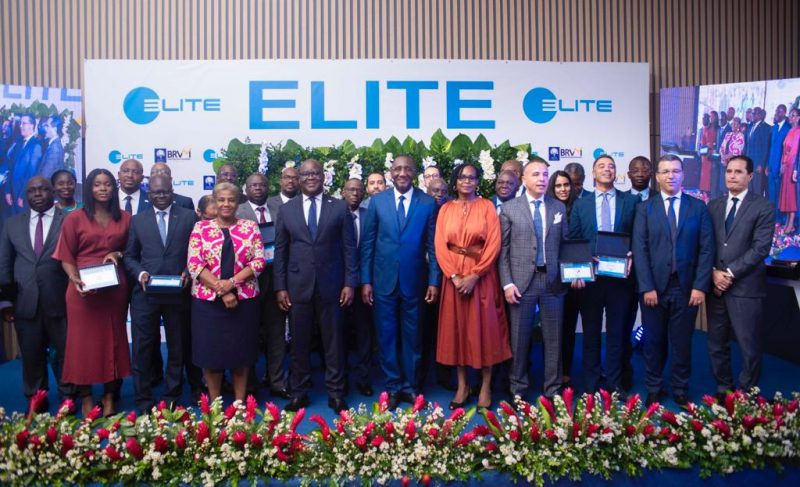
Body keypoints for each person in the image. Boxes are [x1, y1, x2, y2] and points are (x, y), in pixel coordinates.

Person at [274, 159, 357, 413]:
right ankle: (299, 392)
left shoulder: (339, 207)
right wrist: (280, 287)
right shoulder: (286, 210)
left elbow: (349, 248)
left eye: (315, 173)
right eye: (306, 174)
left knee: (334, 343)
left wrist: (350, 283)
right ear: (299, 178)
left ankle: (336, 393)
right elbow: (280, 251)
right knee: (298, 344)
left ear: (324, 177)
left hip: (332, 286)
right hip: (297, 286)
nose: (311, 178)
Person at [632, 154, 714, 406]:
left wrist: (700, 286)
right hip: (653, 289)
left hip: (686, 288)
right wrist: (647, 286)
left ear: (683, 175)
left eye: (675, 171)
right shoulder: (645, 209)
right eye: (665, 171)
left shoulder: (698, 207)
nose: (671, 176)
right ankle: (654, 387)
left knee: (682, 343)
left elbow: (706, 249)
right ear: (657, 177)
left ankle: (680, 388)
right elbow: (639, 249)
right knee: (653, 342)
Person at [361, 155, 440, 410]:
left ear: (415, 172)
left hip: (415, 281)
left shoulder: (427, 203)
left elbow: (433, 246)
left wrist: (434, 281)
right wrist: (365, 281)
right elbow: (368, 243)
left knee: (413, 337)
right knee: (386, 336)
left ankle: (410, 387)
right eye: (398, 169)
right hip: (382, 281)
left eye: (407, 168)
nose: (402, 173)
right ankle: (393, 386)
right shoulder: (377, 202)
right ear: (391, 173)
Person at [53, 168, 132, 417]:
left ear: (113, 188)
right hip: (82, 290)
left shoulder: (126, 218)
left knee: (113, 340)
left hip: (114, 289)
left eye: (107, 184)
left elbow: (132, 250)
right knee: (82, 345)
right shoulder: (74, 218)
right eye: (97, 184)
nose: (103, 189)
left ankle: (109, 395)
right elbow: (66, 255)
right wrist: (74, 278)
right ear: (89, 188)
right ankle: (86, 396)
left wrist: (117, 253)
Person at [434, 162, 511, 409]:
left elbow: (494, 244)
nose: (466, 181)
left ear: (478, 181)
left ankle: (486, 387)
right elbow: (440, 245)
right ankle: (462, 385)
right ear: (455, 182)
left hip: (482, 278)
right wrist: (455, 276)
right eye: (462, 177)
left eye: (471, 177)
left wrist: (475, 275)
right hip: (453, 279)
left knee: (486, 331)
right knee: (457, 330)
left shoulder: (487, 206)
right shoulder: (445, 209)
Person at [124, 175, 198, 412]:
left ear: (172, 191)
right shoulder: (138, 220)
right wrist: (140, 273)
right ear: (149, 194)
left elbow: (196, 252)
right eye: (156, 192)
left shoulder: (188, 217)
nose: (161, 196)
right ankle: (143, 400)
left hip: (178, 294)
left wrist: (188, 270)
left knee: (178, 347)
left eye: (165, 191)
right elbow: (129, 256)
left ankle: (171, 397)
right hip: (145, 294)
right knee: (142, 349)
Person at [187, 182, 266, 402]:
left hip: (244, 301)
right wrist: (222, 290)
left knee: (241, 355)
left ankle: (240, 404)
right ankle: (215, 406)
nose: (226, 204)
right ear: (214, 201)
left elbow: (259, 261)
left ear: (238, 202)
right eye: (221, 200)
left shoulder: (250, 227)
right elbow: (194, 264)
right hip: (208, 304)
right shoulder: (200, 228)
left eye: (231, 200)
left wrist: (231, 283)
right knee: (211, 357)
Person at [499, 157, 570, 399]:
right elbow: (503, 251)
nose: (542, 179)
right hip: (521, 283)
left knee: (554, 339)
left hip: (552, 282)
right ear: (523, 179)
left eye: (545, 174)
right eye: (536, 174)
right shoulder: (509, 208)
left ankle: (553, 390)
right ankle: (517, 389)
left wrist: (576, 270)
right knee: (519, 339)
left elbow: (566, 246)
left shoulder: (558, 207)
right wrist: (507, 283)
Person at [0, 177, 73, 411]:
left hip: (61, 299)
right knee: (31, 355)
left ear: (52, 191)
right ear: (27, 194)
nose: (38, 194)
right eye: (32, 190)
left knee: (66, 353)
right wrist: (5, 302)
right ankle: (36, 399)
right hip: (25, 300)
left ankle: (68, 398)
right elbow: (4, 263)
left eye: (43, 189)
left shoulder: (69, 220)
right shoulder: (12, 224)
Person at [706, 155, 775, 400]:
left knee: (749, 346)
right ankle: (724, 390)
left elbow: (760, 248)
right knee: (716, 344)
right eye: (729, 171)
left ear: (750, 176)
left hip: (746, 288)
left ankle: (746, 395)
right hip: (716, 287)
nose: (732, 176)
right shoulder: (713, 205)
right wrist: (713, 272)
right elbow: (706, 244)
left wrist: (729, 273)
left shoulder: (763, 206)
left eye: (738, 171)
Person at [568, 155, 637, 395]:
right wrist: (584, 260)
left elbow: (638, 235)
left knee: (617, 333)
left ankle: (614, 383)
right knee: (591, 332)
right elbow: (574, 239)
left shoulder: (630, 201)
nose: (607, 169)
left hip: (620, 280)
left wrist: (632, 253)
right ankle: (591, 383)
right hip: (592, 279)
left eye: (611, 166)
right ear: (593, 173)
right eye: (601, 166)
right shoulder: (581, 204)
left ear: (616, 172)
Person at [235, 172, 289, 399]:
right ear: (245, 189)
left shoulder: (281, 209)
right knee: (248, 335)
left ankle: (277, 382)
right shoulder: (237, 212)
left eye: (262, 185)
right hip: (247, 283)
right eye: (253, 185)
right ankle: (249, 384)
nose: (258, 188)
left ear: (268, 187)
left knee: (276, 334)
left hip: (276, 281)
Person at [546, 170, 580, 388]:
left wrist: (577, 271)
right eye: (558, 186)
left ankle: (566, 371)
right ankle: (552, 372)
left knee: (568, 327)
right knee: (552, 330)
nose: (563, 189)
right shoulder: (547, 208)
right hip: (552, 279)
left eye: (566, 185)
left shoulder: (580, 208)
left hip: (575, 278)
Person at [342, 177, 375, 396]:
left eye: (358, 190)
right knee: (340, 332)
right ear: (343, 192)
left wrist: (366, 280)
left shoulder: (369, 214)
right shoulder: (335, 214)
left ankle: (364, 379)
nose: (355, 193)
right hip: (341, 283)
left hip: (365, 282)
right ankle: (341, 377)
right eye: (350, 189)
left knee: (365, 332)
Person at [4, 114, 42, 214]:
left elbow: (31, 174)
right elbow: (11, 169)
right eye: (20, 123)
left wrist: (23, 196)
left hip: (22, 197)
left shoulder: (36, 146)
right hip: (13, 194)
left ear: (32, 126)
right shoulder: (19, 143)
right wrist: (8, 191)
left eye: (23, 123)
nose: (20, 126)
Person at [778, 108, 800, 234]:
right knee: (785, 195)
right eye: (791, 115)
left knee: (791, 196)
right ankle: (787, 222)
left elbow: (794, 152)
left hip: (791, 166)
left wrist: (786, 164)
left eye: (794, 115)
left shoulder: (798, 131)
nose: (791, 117)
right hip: (786, 166)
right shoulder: (790, 131)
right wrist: (782, 163)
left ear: (798, 118)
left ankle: (791, 223)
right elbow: (784, 150)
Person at [767, 105, 791, 215]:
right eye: (777, 110)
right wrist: (767, 165)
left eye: (780, 111)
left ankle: (779, 218)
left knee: (779, 194)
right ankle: (772, 216)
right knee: (771, 193)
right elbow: (770, 147)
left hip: (781, 167)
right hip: (771, 166)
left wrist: (783, 164)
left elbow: (788, 150)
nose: (777, 113)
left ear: (784, 113)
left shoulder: (788, 128)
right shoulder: (774, 128)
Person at [746, 108, 772, 197]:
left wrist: (761, 164)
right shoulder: (750, 127)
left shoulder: (765, 128)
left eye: (754, 114)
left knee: (757, 190)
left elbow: (765, 148)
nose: (752, 115)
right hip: (749, 163)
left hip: (757, 165)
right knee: (749, 188)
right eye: (752, 113)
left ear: (760, 115)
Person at [38, 116, 65, 180]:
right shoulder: (54, 144)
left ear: (55, 129)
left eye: (47, 126)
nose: (45, 129)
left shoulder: (54, 148)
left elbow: (45, 175)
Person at [699, 112, 718, 194]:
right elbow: (702, 143)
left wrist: (713, 145)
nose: (711, 118)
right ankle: (703, 193)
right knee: (704, 175)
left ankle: (708, 193)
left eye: (713, 116)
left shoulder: (718, 129)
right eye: (710, 117)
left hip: (713, 154)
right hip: (705, 154)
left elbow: (719, 142)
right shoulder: (706, 129)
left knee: (710, 175)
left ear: (716, 118)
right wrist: (705, 147)